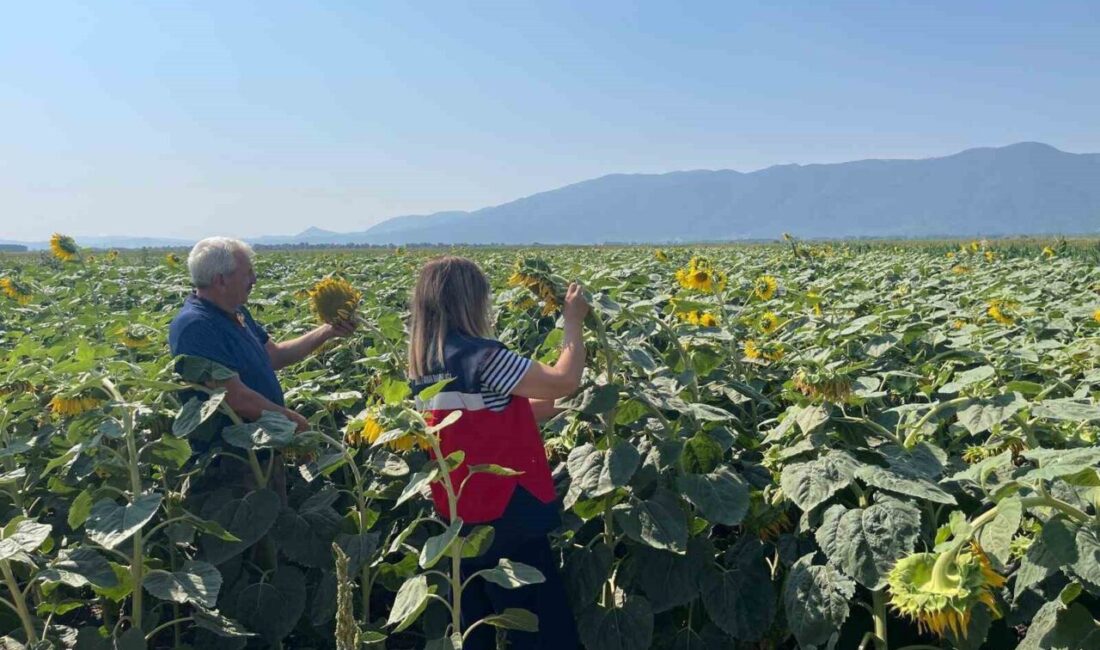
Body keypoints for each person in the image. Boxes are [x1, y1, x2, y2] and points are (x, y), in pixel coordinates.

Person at [407, 256, 587, 650]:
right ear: (471, 301)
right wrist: (572, 322)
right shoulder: (484, 357)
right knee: (540, 626)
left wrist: (574, 408)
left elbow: (493, 416)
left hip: (459, 515)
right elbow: (564, 380)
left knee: (476, 625)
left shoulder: (423, 365)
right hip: (509, 511)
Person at [168, 236, 355, 446]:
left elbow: (274, 355)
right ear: (221, 280)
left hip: (263, 446)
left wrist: (328, 330)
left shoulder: (235, 311)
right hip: (231, 461)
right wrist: (291, 421)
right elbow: (235, 397)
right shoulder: (196, 326)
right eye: (247, 273)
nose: (254, 279)